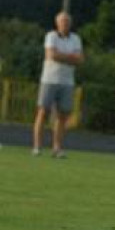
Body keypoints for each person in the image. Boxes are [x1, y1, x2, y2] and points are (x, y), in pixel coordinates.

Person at [32, 11, 83, 158]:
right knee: (43, 112)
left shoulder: (76, 39)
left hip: (67, 81)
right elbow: (51, 55)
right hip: (49, 79)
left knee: (63, 115)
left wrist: (62, 56)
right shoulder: (51, 36)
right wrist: (70, 58)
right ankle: (37, 146)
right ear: (57, 23)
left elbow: (80, 60)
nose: (65, 24)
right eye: (62, 22)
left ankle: (57, 147)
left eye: (67, 22)